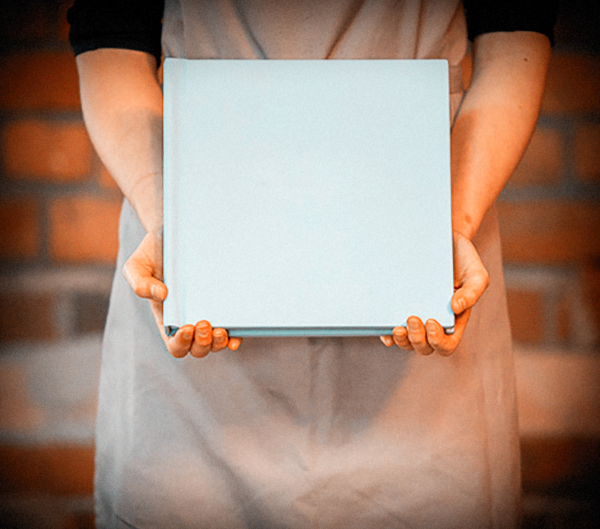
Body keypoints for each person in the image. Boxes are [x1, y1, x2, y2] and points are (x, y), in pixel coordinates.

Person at [68, 1, 557, 527]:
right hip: (196, 218)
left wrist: (448, 227)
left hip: (427, 218)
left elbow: (514, 28)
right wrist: (175, 224)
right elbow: (111, 37)